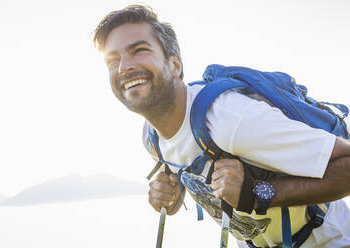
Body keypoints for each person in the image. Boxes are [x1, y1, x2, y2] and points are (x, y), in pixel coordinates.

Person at [93, 5, 350, 247]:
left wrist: (259, 194)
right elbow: (192, 166)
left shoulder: (231, 120)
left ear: (175, 64)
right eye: (112, 60)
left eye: (140, 50)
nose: (124, 67)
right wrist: (172, 198)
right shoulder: (152, 138)